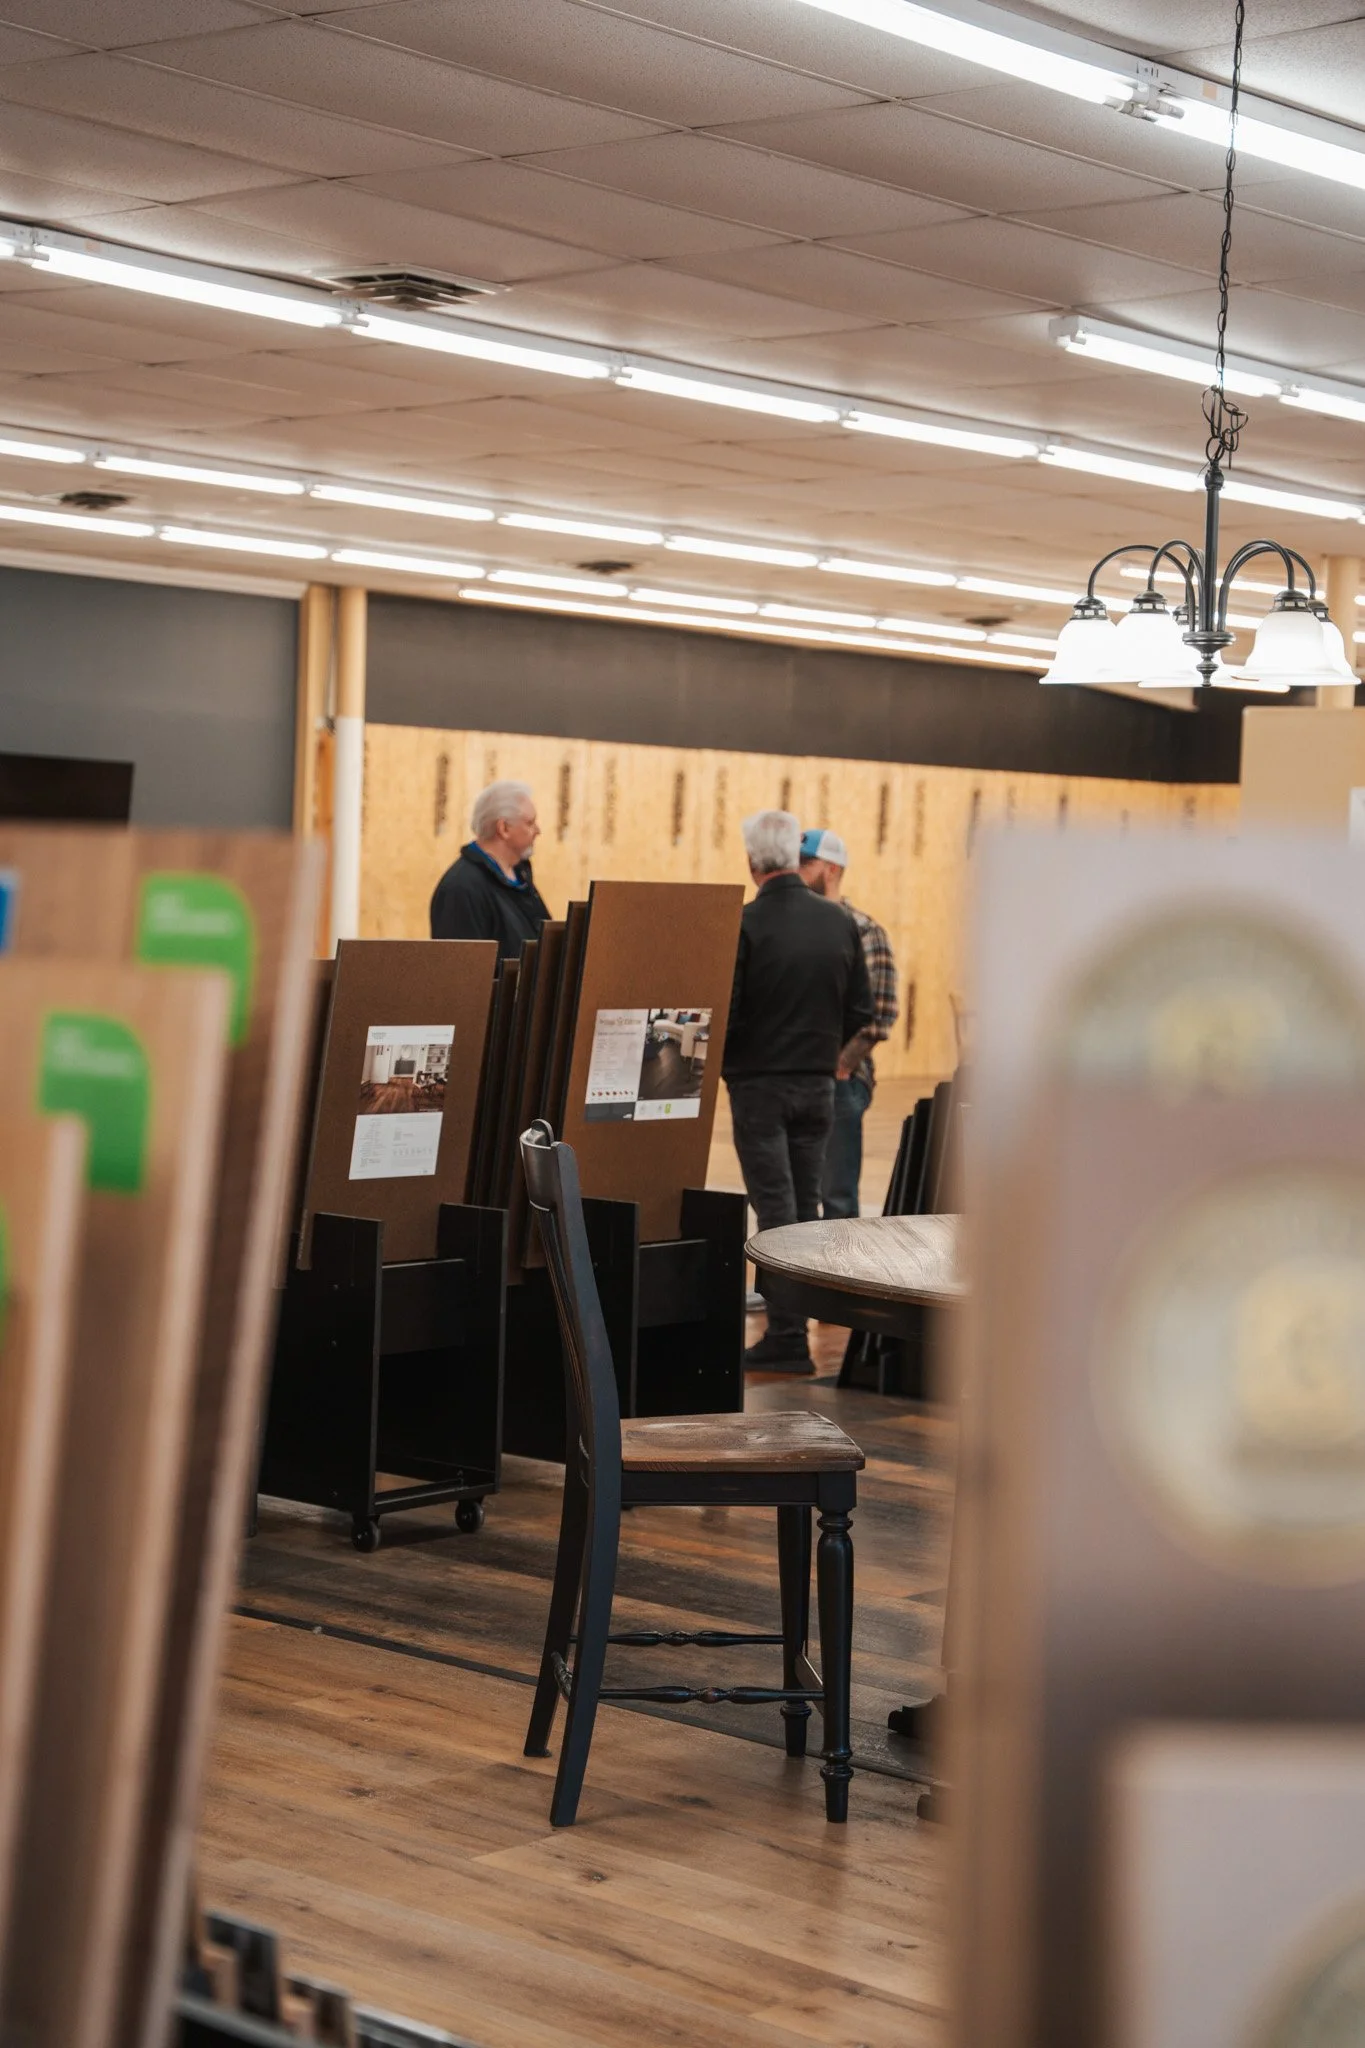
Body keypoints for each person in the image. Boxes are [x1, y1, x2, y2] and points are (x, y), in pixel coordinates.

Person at [723, 809, 875, 1373]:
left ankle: (787, 1337)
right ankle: (799, 1327)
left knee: (775, 1208)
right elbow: (862, 1008)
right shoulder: (838, 922)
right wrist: (824, 1053)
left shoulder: (744, 925)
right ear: (792, 858)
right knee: (806, 1207)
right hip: (818, 1086)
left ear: (751, 862)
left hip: (759, 1087)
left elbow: (730, 1014)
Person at [798, 827, 899, 1220]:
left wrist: (841, 1066)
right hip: (795, 1078)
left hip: (839, 1083)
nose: (797, 872)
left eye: (807, 864)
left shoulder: (865, 930)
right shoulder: (793, 927)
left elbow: (881, 1012)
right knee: (792, 1199)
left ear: (833, 869)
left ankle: (838, 1281)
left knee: (837, 1198)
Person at [429, 779, 550, 958]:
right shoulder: (462, 889)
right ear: (504, 828)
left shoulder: (520, 877)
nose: (538, 830)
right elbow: (462, 971)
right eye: (530, 823)